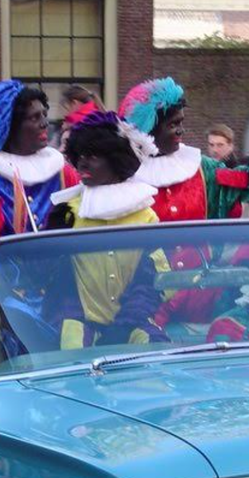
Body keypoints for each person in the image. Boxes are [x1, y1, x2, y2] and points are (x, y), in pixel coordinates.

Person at [44, 111, 165, 349]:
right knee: (72, 351)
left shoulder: (146, 215)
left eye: (93, 156)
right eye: (80, 155)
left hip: (132, 319)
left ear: (115, 160)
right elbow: (47, 277)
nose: (82, 163)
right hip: (78, 320)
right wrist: (51, 235)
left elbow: (153, 279)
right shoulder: (69, 212)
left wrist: (127, 322)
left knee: (152, 354)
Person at [119, 77, 249, 223]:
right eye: (173, 124)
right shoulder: (124, 173)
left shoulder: (201, 168)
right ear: (149, 128)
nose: (181, 130)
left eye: (181, 123)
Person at [0, 80, 79, 237]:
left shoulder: (62, 171)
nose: (44, 123)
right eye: (34, 117)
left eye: (44, 115)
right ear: (10, 126)